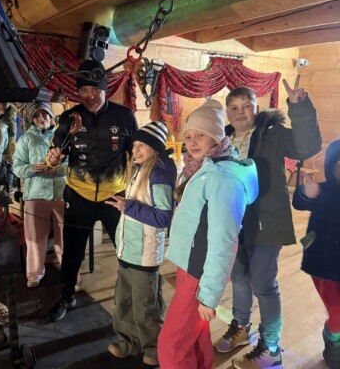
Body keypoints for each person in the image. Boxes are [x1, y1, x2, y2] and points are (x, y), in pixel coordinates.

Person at [213, 76, 322, 369]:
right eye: (234, 107)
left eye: (246, 106)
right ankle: (241, 327)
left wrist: (299, 107)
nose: (240, 112)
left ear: (256, 108)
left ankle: (271, 348)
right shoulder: (223, 139)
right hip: (233, 222)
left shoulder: (272, 134)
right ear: (228, 112)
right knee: (239, 278)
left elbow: (307, 146)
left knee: (263, 283)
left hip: (266, 221)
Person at [157, 100, 259, 369]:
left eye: (200, 135)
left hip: (199, 273)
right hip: (190, 265)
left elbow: (224, 242)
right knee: (196, 336)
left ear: (216, 137)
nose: (191, 142)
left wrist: (209, 296)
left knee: (172, 345)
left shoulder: (222, 179)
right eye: (188, 136)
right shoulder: (203, 168)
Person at [46, 59, 138, 322]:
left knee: (126, 249)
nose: (89, 96)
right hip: (79, 195)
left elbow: (137, 154)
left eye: (95, 89)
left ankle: (133, 297)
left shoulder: (124, 116)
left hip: (115, 196)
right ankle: (66, 295)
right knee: (72, 251)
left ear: (105, 89)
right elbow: (55, 154)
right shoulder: (69, 117)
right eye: (83, 90)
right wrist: (52, 160)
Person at [105, 121, 177, 367]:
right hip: (128, 249)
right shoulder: (139, 169)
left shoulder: (159, 174)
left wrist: (129, 207)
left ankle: (154, 348)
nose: (135, 149)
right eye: (134, 144)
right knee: (124, 301)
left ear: (155, 148)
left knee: (145, 306)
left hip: (145, 254)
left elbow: (163, 217)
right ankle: (128, 342)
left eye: (142, 145)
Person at [292, 139, 340, 369]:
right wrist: (305, 192)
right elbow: (298, 203)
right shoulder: (323, 190)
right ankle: (333, 343)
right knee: (337, 314)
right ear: (331, 166)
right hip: (322, 263)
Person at [13, 102, 66, 288]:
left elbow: (72, 165)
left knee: (65, 238)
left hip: (61, 193)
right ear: (31, 119)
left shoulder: (62, 137)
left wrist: (57, 170)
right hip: (35, 194)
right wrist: (32, 168)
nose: (41, 118)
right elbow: (17, 167)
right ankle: (34, 274)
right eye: (36, 115)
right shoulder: (26, 139)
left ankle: (70, 275)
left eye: (44, 114)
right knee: (35, 238)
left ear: (50, 115)